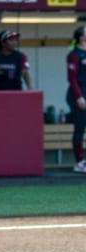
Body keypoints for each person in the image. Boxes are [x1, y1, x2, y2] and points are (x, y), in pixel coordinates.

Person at [67, 26, 86, 173]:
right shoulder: (74, 55)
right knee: (80, 127)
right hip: (78, 92)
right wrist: (79, 97)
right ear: (81, 37)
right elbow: (72, 78)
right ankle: (79, 162)